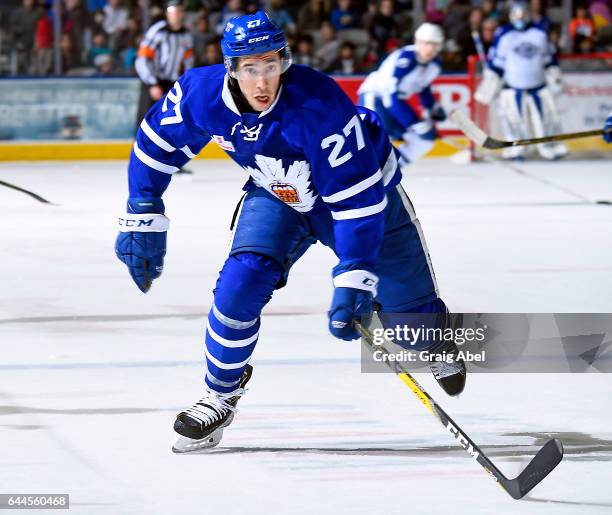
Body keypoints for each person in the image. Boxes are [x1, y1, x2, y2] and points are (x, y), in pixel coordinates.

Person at [114, 11, 465, 453]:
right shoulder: (198, 94)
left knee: (412, 321)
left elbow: (357, 202)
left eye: (271, 65)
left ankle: (435, 342)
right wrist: (143, 209)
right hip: (279, 196)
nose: (262, 81)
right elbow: (156, 146)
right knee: (239, 285)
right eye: (250, 68)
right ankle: (221, 394)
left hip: (364, 202)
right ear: (230, 68)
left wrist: (355, 273)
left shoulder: (318, 103)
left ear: (285, 60)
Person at [474, 2, 567, 160]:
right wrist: (490, 80)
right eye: (517, 15)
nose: (520, 18)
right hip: (513, 87)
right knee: (514, 121)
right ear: (511, 16)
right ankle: (517, 150)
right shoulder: (504, 34)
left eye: (523, 14)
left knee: (546, 120)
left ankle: (549, 148)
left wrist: (554, 74)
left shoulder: (539, 33)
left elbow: (549, 59)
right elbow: (496, 63)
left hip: (538, 86)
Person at [357, 22, 446, 165]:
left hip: (394, 103)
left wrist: (432, 108)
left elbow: (423, 88)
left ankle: (393, 168)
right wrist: (412, 123)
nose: (430, 48)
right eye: (426, 43)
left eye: (434, 44)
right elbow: (391, 98)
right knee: (378, 137)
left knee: (426, 140)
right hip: (374, 96)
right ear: (418, 42)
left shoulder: (434, 65)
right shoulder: (406, 59)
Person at [134, 0, 193, 127]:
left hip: (172, 84)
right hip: (154, 81)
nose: (176, 14)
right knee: (146, 122)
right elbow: (142, 58)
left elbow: (188, 62)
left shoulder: (186, 35)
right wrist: (152, 83)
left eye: (179, 10)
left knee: (169, 124)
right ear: (167, 13)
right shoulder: (158, 30)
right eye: (172, 11)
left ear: (182, 13)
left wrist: (184, 83)